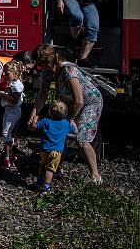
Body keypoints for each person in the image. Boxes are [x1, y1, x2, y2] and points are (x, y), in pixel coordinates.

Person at [28, 44, 103, 184]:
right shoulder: (48, 72)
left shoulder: (69, 70)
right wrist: (34, 115)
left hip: (89, 103)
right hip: (70, 102)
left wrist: (69, 120)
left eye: (40, 63)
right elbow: (42, 96)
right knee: (62, 135)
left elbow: (79, 101)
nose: (39, 67)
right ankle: (56, 168)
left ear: (48, 61)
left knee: (82, 139)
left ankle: (95, 175)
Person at [34, 100, 77, 193]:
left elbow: (34, 126)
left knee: (42, 164)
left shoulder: (46, 121)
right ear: (65, 113)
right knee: (50, 169)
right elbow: (75, 131)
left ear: (50, 112)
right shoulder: (66, 124)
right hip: (56, 151)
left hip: (44, 149)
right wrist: (73, 123)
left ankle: (39, 180)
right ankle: (46, 186)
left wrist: (35, 118)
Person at [0, 61, 25, 169]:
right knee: (9, 133)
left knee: (6, 133)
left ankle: (7, 158)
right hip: (11, 110)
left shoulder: (15, 85)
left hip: (13, 110)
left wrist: (4, 95)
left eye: (7, 73)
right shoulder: (13, 83)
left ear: (15, 73)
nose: (5, 75)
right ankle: (10, 156)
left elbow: (14, 101)